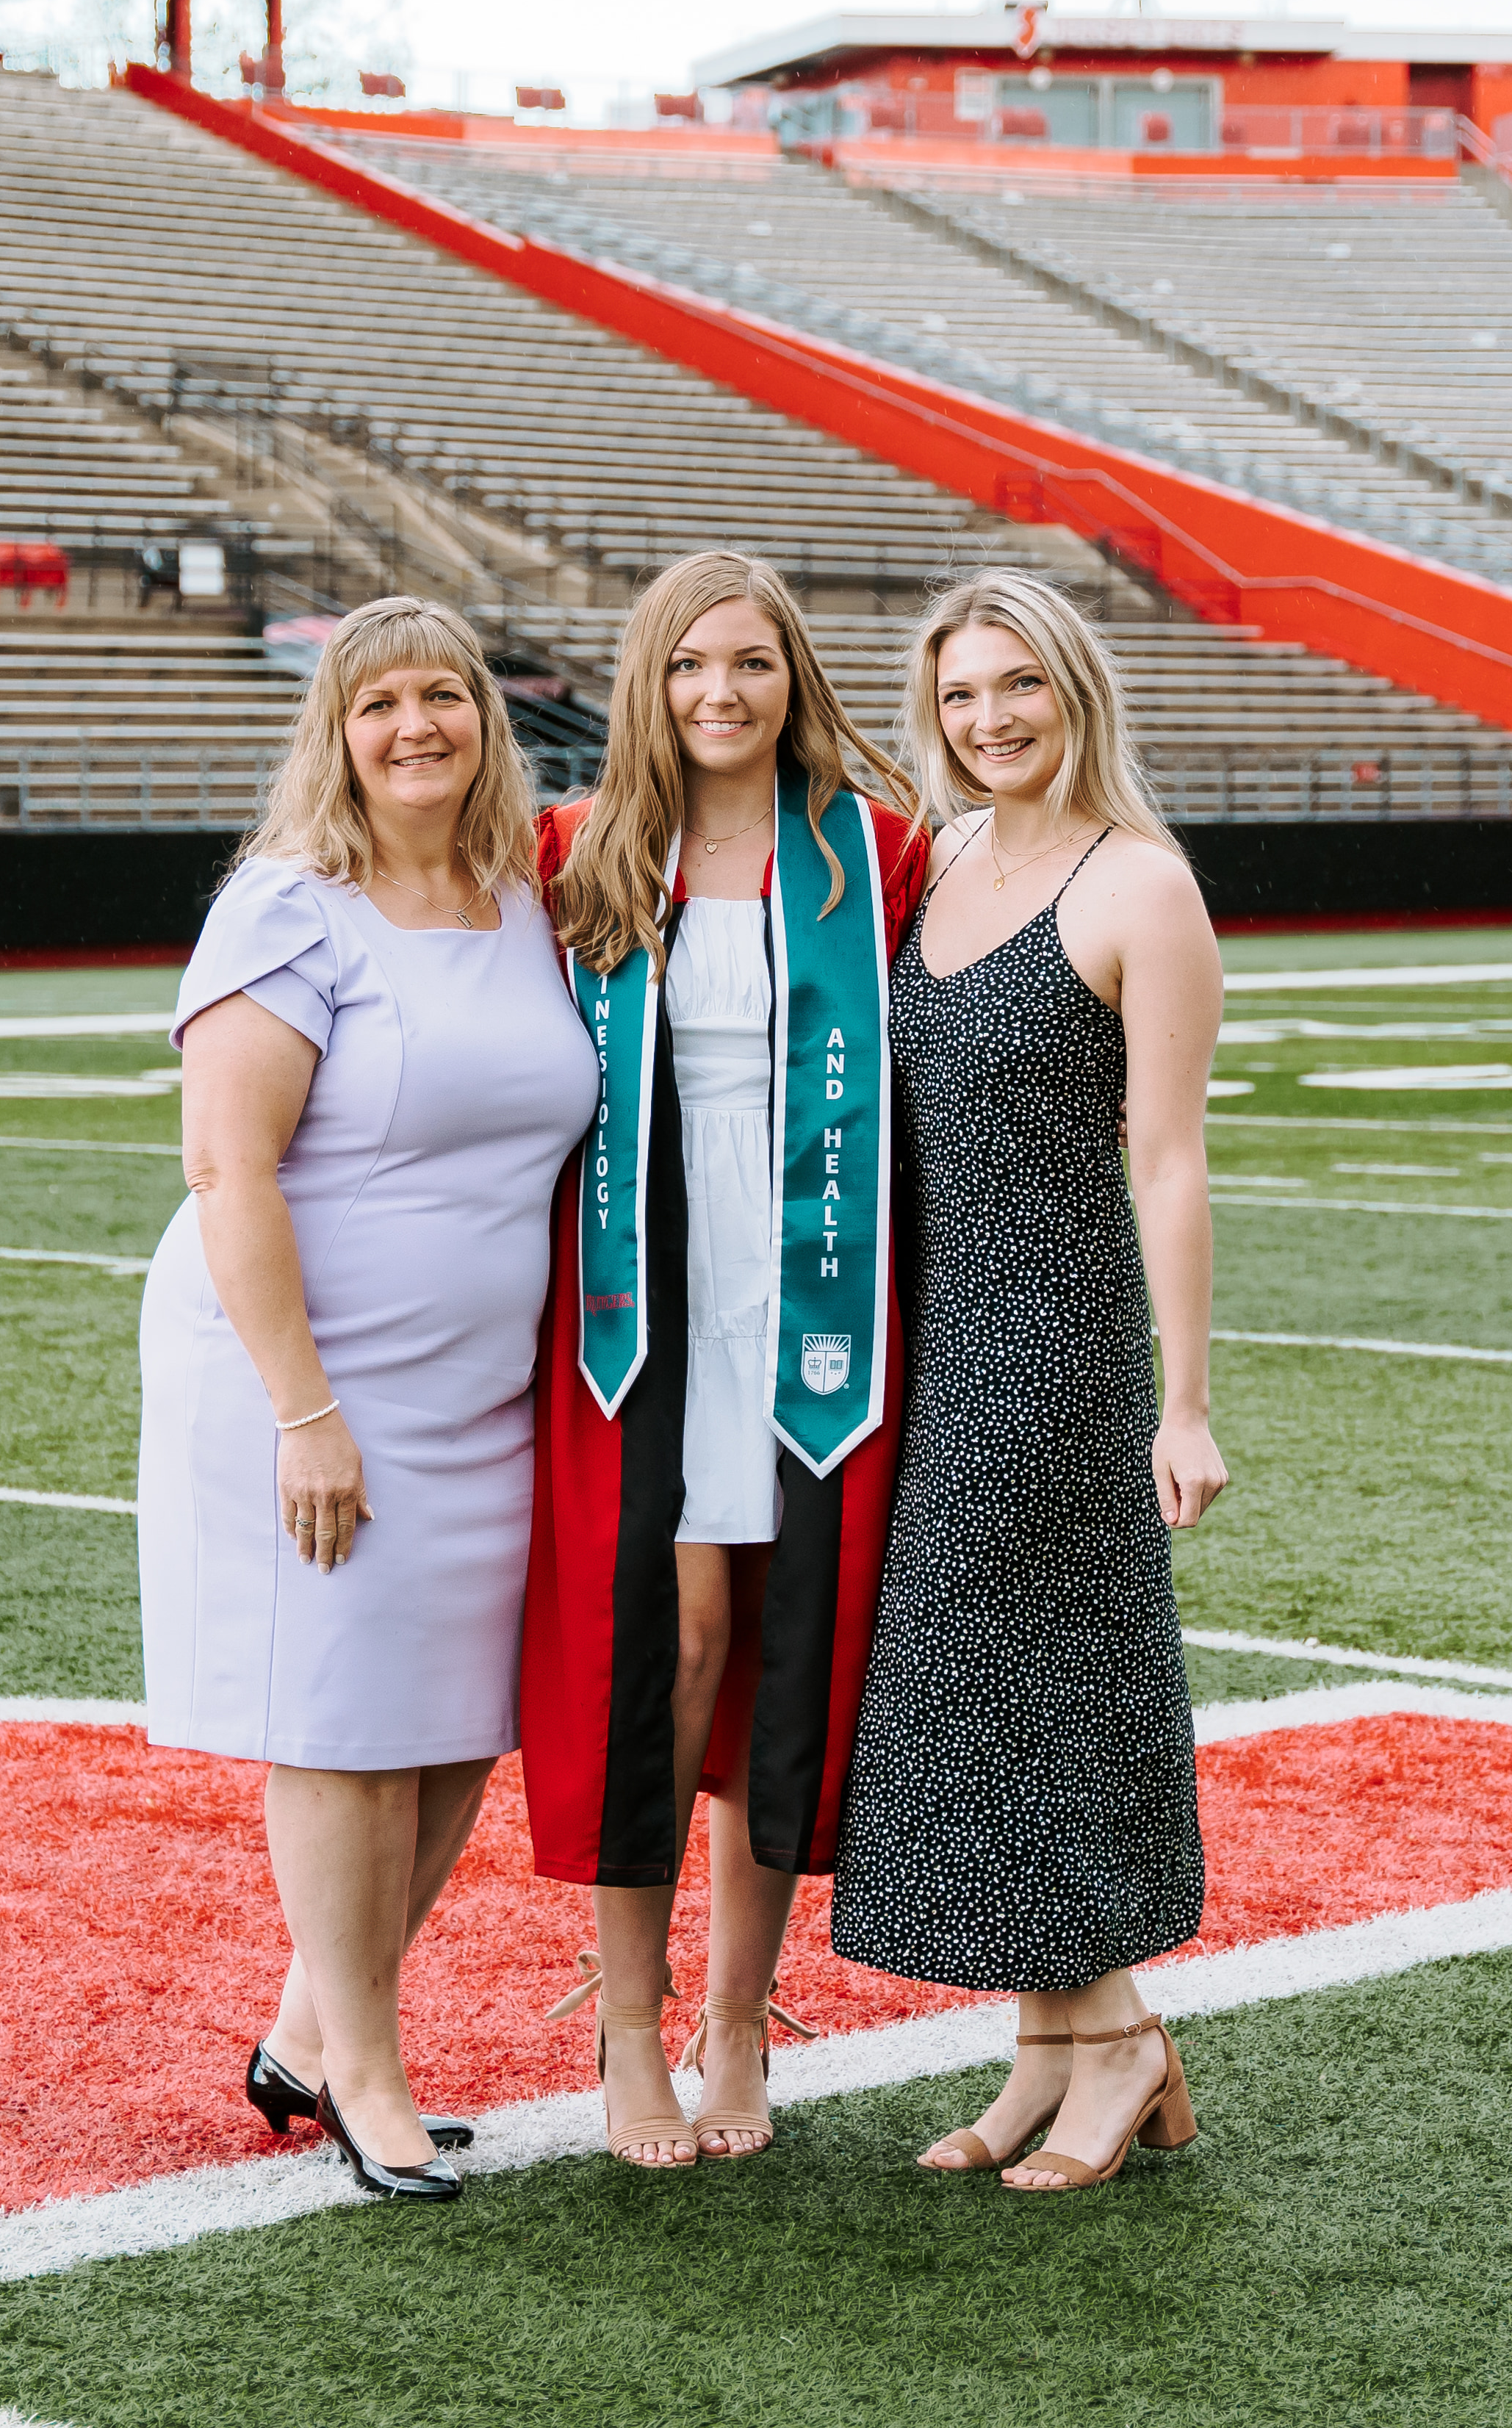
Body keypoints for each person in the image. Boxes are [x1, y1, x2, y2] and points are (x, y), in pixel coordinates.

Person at [140, 595, 599, 2204]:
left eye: (446, 697)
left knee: (461, 1726)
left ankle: (304, 2027)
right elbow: (226, 1166)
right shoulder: (286, 907)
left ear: (488, 717)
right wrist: (302, 1408)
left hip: (482, 1390)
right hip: (308, 1375)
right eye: (381, 701)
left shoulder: (524, 891)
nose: (418, 726)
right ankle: (373, 2073)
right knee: (343, 1727)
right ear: (335, 731)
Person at [829, 569, 1231, 2196]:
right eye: (960, 695)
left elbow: (1176, 1160)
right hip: (929, 1345)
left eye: (1019, 687)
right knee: (975, 1692)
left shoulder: (1140, 882)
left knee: (1049, 1683)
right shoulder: (943, 868)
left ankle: (1118, 2036)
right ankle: (1049, 2048)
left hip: (1057, 1345)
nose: (989, 719)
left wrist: (1183, 1398)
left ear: (1076, 692)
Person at [525, 552, 929, 2169]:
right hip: (644, 1292)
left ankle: (740, 2015)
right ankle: (629, 2018)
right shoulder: (578, 849)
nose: (721, 693)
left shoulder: (874, 853)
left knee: (777, 1650)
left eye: (752, 663)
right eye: (690, 665)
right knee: (665, 1646)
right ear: (648, 680)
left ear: (793, 675)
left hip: (817, 1282)